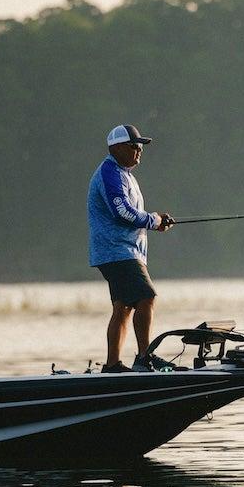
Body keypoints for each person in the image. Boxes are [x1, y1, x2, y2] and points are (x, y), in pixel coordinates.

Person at [88, 124, 175, 373]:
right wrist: (153, 220)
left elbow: (131, 212)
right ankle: (145, 357)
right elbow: (122, 211)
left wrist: (156, 222)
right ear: (116, 148)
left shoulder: (125, 174)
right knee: (147, 297)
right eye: (134, 146)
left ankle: (113, 365)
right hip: (117, 251)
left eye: (141, 147)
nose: (139, 151)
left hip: (123, 252)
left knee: (124, 306)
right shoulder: (110, 173)